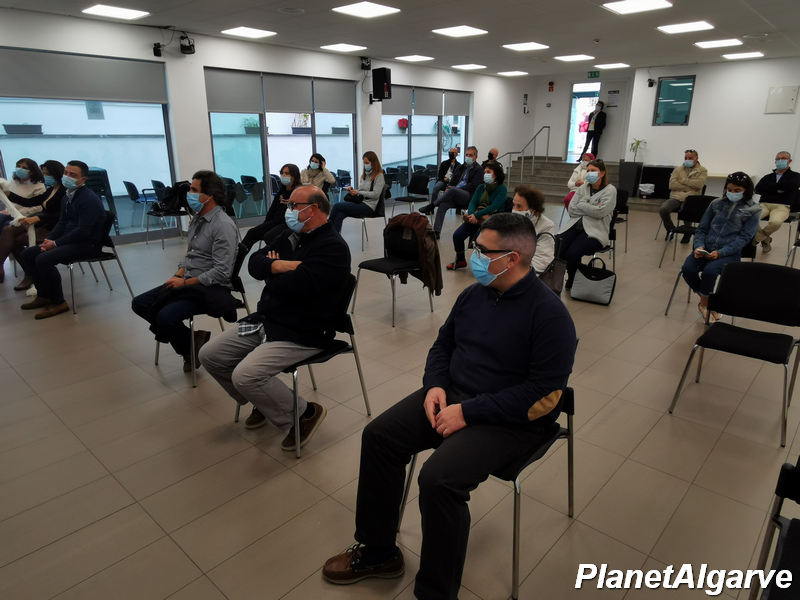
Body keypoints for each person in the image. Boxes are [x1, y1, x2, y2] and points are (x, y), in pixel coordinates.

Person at [322, 213, 576, 599]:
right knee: (380, 437)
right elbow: (443, 344)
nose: (474, 255)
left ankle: (436, 593)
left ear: (511, 259)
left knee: (439, 480)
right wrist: (435, 385)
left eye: (483, 250)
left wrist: (469, 412)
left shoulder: (550, 316)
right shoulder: (474, 294)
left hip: (512, 420)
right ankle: (378, 551)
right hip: (453, 395)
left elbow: (542, 395)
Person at [200, 186, 351, 450]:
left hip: (303, 330)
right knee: (210, 355)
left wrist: (271, 273)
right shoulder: (290, 235)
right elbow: (253, 263)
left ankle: (305, 413)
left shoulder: (333, 247)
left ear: (313, 209)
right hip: (267, 319)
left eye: (293, 205)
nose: (288, 210)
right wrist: (279, 266)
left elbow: (295, 286)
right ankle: (264, 402)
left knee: (245, 376)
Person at [132, 170, 239, 372]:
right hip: (188, 281)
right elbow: (190, 255)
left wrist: (184, 283)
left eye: (194, 190)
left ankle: (187, 348)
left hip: (208, 287)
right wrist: (178, 274)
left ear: (209, 195)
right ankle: (192, 342)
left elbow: (221, 273)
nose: (189, 193)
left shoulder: (223, 226)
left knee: (165, 316)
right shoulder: (198, 218)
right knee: (139, 303)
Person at [18, 160, 105, 319]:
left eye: (73, 175)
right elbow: (62, 222)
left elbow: (83, 231)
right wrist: (49, 240)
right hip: (71, 241)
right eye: (66, 173)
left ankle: (58, 302)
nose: (67, 176)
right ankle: (44, 295)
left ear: (83, 179)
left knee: (43, 259)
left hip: (88, 244)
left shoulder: (88, 199)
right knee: (27, 254)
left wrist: (56, 243)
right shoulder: (68, 196)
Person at [681, 171, 761, 323]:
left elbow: (744, 238)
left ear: (746, 190)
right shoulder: (716, 203)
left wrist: (721, 252)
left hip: (729, 252)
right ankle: (708, 301)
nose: (732, 193)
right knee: (687, 269)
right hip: (706, 247)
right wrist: (699, 246)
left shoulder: (754, 209)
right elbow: (702, 229)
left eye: (737, 190)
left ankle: (704, 305)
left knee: (710, 272)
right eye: (729, 190)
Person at [0, 160, 66, 287]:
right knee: (9, 231)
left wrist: (38, 218)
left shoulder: (64, 192)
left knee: (13, 239)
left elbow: (61, 215)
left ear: (56, 174)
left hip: (54, 229)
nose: (45, 176)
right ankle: (29, 273)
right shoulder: (50, 190)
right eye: (44, 173)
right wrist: (7, 193)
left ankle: (30, 275)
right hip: (43, 225)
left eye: (48, 174)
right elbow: (29, 202)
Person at [558, 159, 616, 290]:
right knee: (558, 246)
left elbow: (601, 212)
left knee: (573, 253)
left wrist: (582, 205)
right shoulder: (583, 188)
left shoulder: (610, 190)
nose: (589, 173)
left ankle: (573, 278)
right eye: (588, 170)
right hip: (575, 226)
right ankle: (575, 273)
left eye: (593, 171)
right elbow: (571, 209)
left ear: (602, 173)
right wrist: (591, 208)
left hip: (594, 231)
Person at [446, 161, 508, 271]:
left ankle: (483, 264)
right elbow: (473, 203)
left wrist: (476, 215)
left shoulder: (502, 189)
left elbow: (494, 206)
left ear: (496, 174)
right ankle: (460, 260)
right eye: (485, 172)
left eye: (488, 172)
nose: (485, 174)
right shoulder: (481, 187)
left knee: (480, 239)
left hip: (493, 219)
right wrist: (471, 215)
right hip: (476, 218)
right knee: (457, 236)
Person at [424, 146, 484, 238]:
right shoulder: (460, 167)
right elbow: (452, 182)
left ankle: (433, 205)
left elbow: (474, 186)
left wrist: (456, 189)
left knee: (453, 189)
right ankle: (436, 232)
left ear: (476, 157)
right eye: (467, 155)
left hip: (468, 196)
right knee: (443, 204)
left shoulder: (479, 170)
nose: (468, 157)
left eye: (471, 155)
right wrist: (450, 187)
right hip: (455, 194)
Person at [242, 163, 300, 250]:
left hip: (288, 224)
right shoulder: (281, 192)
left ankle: (273, 256)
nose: (283, 176)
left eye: (287, 173)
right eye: (282, 173)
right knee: (252, 232)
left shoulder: (298, 192)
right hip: (275, 222)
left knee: (269, 236)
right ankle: (237, 257)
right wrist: (265, 224)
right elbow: (272, 210)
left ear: (294, 176)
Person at [754, 151, 800, 253]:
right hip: (764, 204)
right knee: (749, 218)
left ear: (789, 161)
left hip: (783, 205)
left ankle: (761, 237)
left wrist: (769, 188)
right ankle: (765, 239)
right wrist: (777, 190)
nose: (780, 161)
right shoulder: (768, 177)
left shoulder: (795, 176)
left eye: (783, 158)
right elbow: (757, 189)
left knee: (775, 222)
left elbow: (792, 186)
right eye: (778, 159)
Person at [328, 151, 385, 234]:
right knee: (340, 214)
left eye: (367, 163)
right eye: (364, 163)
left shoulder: (379, 176)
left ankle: (326, 231)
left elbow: (375, 194)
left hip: (369, 206)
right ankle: (333, 237)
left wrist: (359, 192)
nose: (365, 165)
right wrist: (353, 190)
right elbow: (361, 191)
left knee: (337, 206)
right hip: (360, 202)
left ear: (373, 163)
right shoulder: (364, 176)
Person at [659, 149, 708, 240]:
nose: (687, 160)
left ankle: (687, 232)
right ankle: (670, 229)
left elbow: (699, 185)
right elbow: (671, 185)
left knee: (686, 210)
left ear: (696, 158)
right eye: (686, 158)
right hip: (676, 197)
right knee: (663, 209)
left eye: (690, 158)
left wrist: (683, 181)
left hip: (691, 198)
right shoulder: (678, 169)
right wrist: (689, 187)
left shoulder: (702, 170)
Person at [513, 185, 556, 274]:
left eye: (519, 206)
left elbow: (541, 260)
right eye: (514, 205)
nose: (514, 210)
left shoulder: (546, 226)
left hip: (526, 274)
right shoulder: (509, 221)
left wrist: (516, 274)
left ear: (532, 210)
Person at [0, 158, 47, 228]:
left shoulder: (39, 187)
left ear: (32, 171)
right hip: (9, 213)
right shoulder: (13, 181)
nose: (20, 169)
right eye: (18, 166)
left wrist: (16, 213)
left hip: (25, 216)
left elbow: (38, 208)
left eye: (24, 168)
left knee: (5, 226)